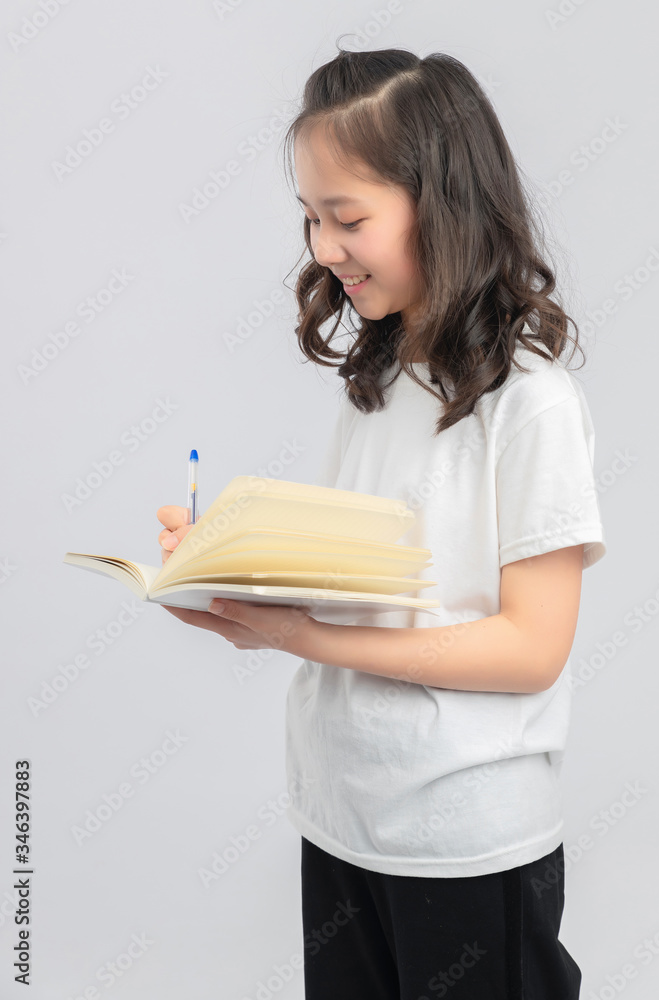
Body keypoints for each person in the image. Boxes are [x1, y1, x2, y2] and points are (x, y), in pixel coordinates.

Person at [157, 45, 607, 1000]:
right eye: (310, 217)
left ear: (440, 203)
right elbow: (386, 584)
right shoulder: (380, 381)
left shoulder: (531, 402)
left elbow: (531, 648)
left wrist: (302, 635)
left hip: (462, 841)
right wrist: (232, 576)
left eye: (347, 217)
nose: (322, 249)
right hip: (344, 817)